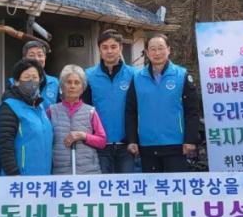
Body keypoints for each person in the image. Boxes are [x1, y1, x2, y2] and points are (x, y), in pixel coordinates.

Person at [125, 34, 200, 173]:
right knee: (152, 186)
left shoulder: (181, 75)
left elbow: (192, 111)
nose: (157, 53)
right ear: (147, 52)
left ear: (169, 50)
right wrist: (132, 140)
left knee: (176, 185)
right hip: (147, 144)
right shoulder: (137, 78)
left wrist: (190, 139)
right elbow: (130, 112)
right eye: (153, 49)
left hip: (176, 144)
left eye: (161, 48)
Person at [84, 29, 136, 174]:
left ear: (121, 48)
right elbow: (85, 109)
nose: (109, 51)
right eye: (105, 47)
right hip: (100, 144)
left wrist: (134, 139)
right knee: (101, 186)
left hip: (127, 144)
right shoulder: (88, 75)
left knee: (125, 186)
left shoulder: (134, 75)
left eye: (113, 47)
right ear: (99, 50)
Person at [0, 59, 53, 175]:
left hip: (43, 176)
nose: (31, 81)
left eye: (35, 77)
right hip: (20, 177)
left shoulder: (40, 106)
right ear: (16, 81)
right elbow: (5, 144)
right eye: (27, 77)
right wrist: (14, 174)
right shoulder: (9, 106)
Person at [49, 65, 106, 175]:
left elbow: (102, 141)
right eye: (68, 82)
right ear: (62, 86)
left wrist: (83, 136)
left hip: (89, 173)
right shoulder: (52, 111)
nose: (72, 86)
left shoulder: (90, 111)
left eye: (77, 83)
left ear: (83, 87)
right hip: (61, 173)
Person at [22, 40, 60, 109]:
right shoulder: (14, 83)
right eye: (31, 55)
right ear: (24, 59)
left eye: (40, 55)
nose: (36, 59)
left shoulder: (55, 83)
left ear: (45, 58)